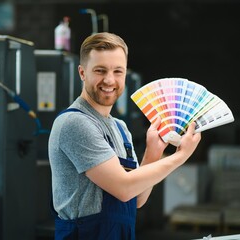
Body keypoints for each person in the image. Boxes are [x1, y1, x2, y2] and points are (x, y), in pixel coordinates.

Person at [48, 32, 201, 240]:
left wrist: (152, 154)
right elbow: (123, 188)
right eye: (100, 70)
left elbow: (136, 198)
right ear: (82, 73)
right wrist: (180, 156)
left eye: (117, 71)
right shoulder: (75, 123)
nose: (109, 80)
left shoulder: (120, 128)